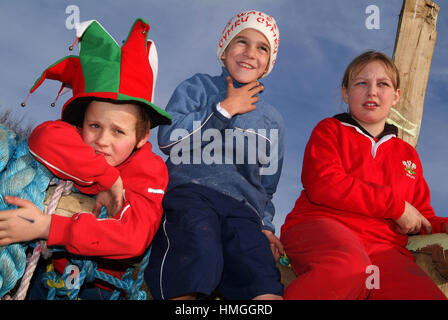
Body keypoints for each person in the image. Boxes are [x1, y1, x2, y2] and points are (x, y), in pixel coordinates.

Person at [0, 18, 172, 299]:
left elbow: (132, 236)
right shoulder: (77, 143)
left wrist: (46, 226)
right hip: (48, 270)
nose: (102, 140)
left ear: (142, 139)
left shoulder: (149, 170)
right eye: (95, 126)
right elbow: (43, 137)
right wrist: (107, 177)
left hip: (98, 284)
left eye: (118, 131)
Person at [280, 50, 448, 300]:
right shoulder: (330, 130)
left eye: (383, 84)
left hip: (382, 247)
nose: (372, 91)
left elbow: (421, 217)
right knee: (349, 268)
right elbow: (324, 184)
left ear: (396, 97)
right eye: (361, 83)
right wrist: (395, 206)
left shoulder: (407, 155)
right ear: (345, 93)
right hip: (322, 227)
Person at [145, 10, 284, 300]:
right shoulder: (197, 88)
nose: (249, 53)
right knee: (196, 255)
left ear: (268, 64)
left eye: (262, 48)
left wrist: (266, 226)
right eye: (241, 42)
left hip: (243, 210)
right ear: (224, 49)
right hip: (192, 195)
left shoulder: (272, 120)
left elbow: (266, 186)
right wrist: (224, 109)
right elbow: (169, 140)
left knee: (260, 274)